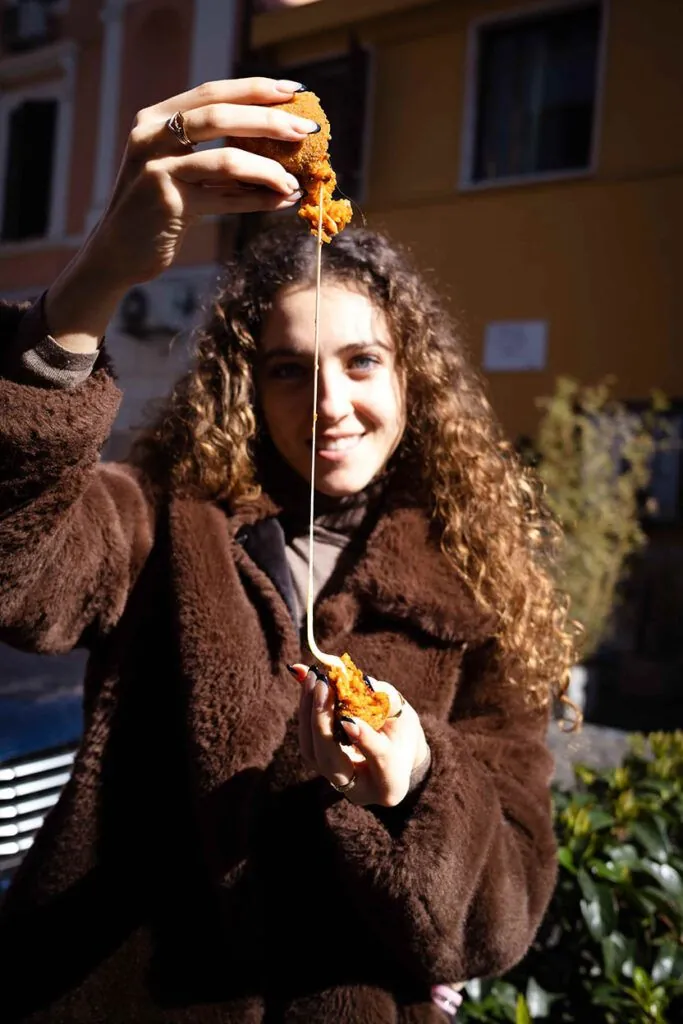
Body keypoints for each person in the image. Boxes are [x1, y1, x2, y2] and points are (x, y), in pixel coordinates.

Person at [0, 77, 573, 1023]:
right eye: (286, 370)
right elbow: (19, 567)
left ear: (412, 377)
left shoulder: (481, 588)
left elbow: (497, 923)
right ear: (246, 390)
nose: (328, 405)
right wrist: (97, 276)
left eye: (360, 362)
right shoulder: (160, 522)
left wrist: (415, 781)